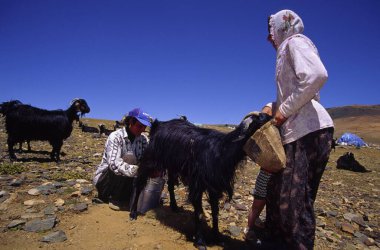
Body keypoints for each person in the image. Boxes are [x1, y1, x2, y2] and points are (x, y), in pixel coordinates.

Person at [263, 10, 334, 249]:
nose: (268, 38)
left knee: (294, 205)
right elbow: (300, 89)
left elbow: (316, 75)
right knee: (279, 196)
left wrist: (282, 112)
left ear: (281, 27)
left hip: (307, 132)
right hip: (302, 131)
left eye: (270, 31)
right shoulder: (288, 50)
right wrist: (274, 106)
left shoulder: (294, 42)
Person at [93, 108, 157, 211]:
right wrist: (139, 171)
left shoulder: (143, 139)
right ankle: (114, 198)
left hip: (128, 178)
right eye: (140, 126)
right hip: (107, 180)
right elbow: (113, 164)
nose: (142, 129)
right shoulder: (115, 137)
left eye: (144, 127)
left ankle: (128, 197)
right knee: (122, 163)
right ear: (131, 122)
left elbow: (147, 158)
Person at [245, 103, 274, 240]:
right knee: (258, 204)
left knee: (268, 204)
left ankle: (264, 229)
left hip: (271, 172)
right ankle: (249, 228)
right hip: (267, 172)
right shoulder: (273, 107)